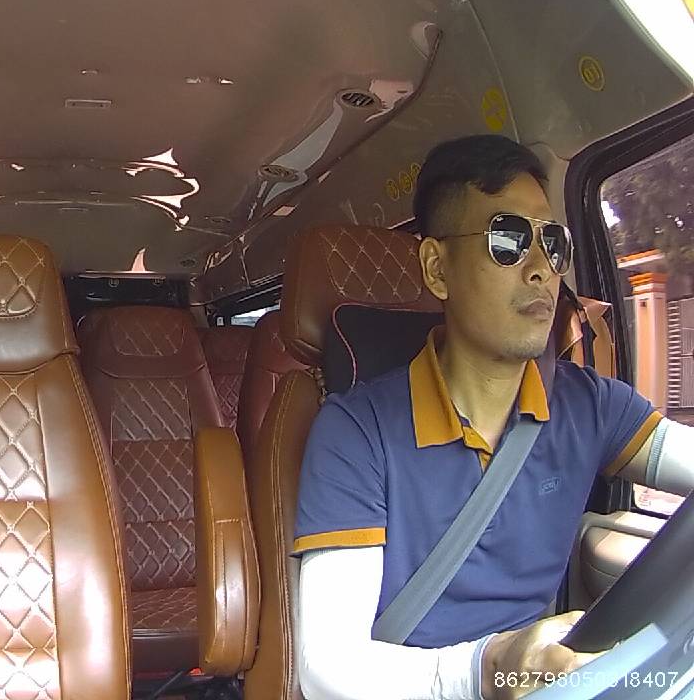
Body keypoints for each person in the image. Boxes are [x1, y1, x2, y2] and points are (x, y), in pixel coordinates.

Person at [292, 134, 694, 700]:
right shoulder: (356, 434)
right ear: (437, 268)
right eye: (508, 240)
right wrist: (488, 668)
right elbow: (328, 667)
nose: (541, 269)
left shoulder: (591, 406)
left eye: (552, 243)